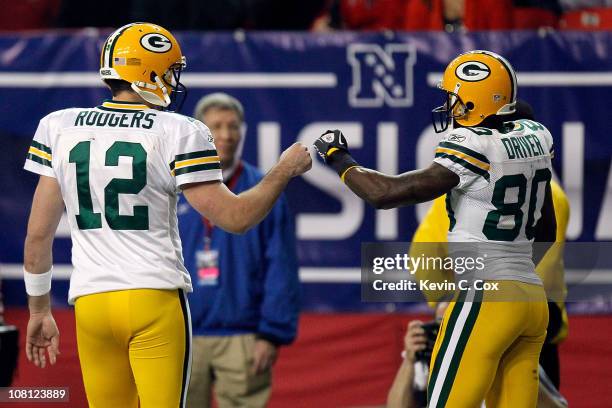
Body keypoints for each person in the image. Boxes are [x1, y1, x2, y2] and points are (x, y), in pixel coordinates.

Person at [22, 22, 311, 408]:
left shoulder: (59, 126)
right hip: (153, 300)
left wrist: (39, 309)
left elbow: (37, 237)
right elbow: (237, 218)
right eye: (171, 71)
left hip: (91, 303)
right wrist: (284, 170)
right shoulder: (179, 130)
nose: (174, 82)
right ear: (149, 72)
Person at [315, 50, 556, 406]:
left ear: (475, 100)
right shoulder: (537, 136)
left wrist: (339, 159)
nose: (450, 105)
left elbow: (387, 194)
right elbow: (546, 229)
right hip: (532, 301)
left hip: (485, 295)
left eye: (455, 98)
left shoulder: (473, 144)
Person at [410, 100, 570, 388]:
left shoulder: (462, 184)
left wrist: (445, 302)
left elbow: (424, 253)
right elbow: (540, 259)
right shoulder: (554, 195)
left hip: (483, 311)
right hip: (536, 319)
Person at [180, 93, 300, 408]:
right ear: (199, 133)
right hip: (181, 334)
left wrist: (271, 333)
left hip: (244, 336)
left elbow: (281, 266)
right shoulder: (172, 186)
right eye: (216, 126)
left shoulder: (265, 188)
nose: (226, 135)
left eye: (233, 126)